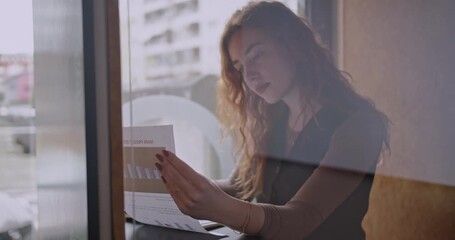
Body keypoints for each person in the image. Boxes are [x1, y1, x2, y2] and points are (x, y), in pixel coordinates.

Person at [154, 1, 390, 239]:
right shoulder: (273, 120)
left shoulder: (360, 126)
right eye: (240, 67)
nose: (249, 75)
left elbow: (300, 220)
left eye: (257, 55)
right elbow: (238, 187)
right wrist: (178, 185)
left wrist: (216, 204)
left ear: (294, 46)